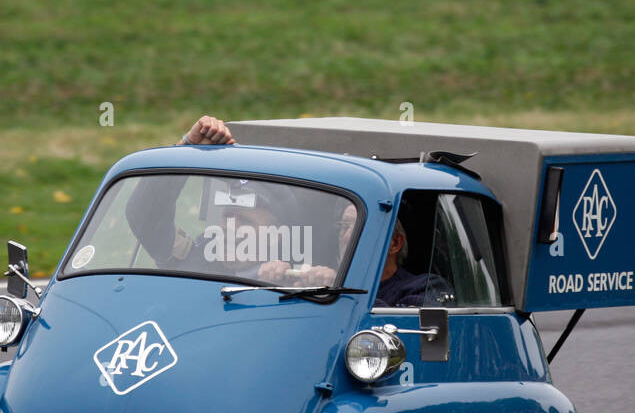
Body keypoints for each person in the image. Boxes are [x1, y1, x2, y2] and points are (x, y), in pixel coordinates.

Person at [168, 116, 451, 305]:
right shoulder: (305, 270)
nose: (346, 236)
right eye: (342, 227)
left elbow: (398, 338)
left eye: (357, 226)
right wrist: (280, 284)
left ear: (395, 241)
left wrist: (337, 290)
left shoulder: (423, 288)